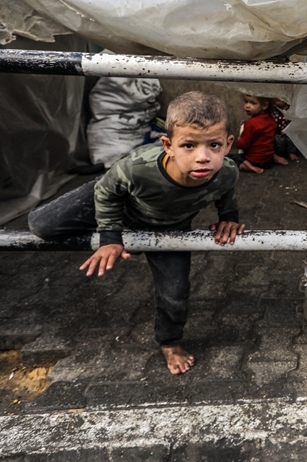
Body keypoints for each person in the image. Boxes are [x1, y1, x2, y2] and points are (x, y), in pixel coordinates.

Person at [28, 91, 244, 375]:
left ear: (228, 145)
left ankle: (169, 342)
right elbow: (106, 192)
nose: (203, 157)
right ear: (168, 145)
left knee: (176, 294)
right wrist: (110, 237)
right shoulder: (138, 167)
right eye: (189, 145)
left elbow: (225, 193)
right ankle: (109, 224)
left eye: (213, 145)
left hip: (169, 228)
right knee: (42, 226)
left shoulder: (227, 172)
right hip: (116, 198)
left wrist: (228, 217)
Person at [235, 94, 277, 174]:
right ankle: (274, 156)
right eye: (246, 102)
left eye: (253, 103)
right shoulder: (271, 118)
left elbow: (242, 145)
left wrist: (239, 140)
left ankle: (249, 166)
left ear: (264, 105)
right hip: (268, 160)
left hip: (254, 161)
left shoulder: (250, 124)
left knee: (232, 159)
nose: (247, 106)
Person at [269, 98, 301, 167]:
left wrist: (288, 130)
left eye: (279, 99)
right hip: (277, 134)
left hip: (288, 133)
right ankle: (275, 154)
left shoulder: (290, 111)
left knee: (292, 138)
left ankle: (291, 152)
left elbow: (294, 122)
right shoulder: (273, 110)